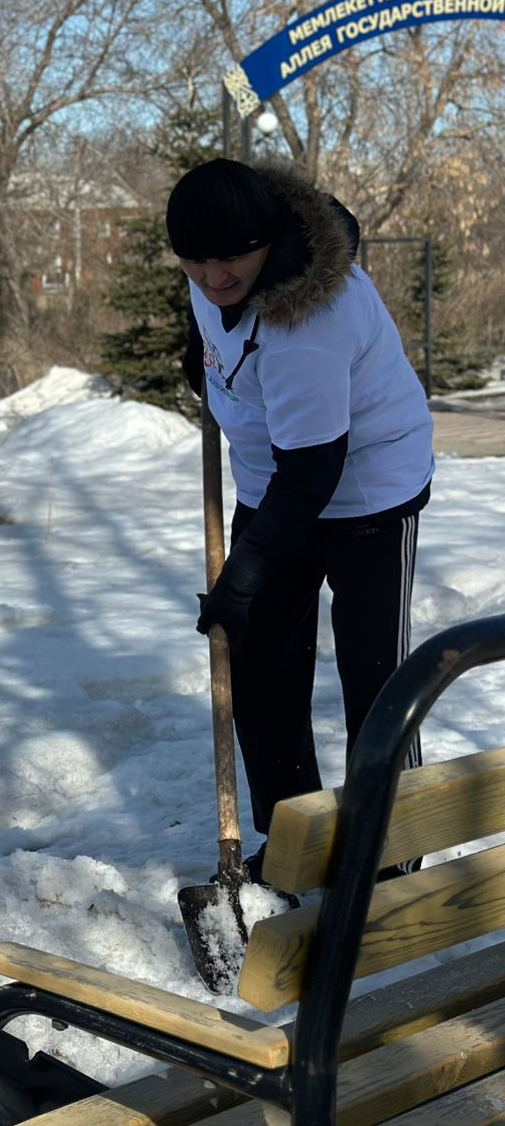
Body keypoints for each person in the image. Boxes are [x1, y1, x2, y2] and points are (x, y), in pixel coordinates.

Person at [167, 158, 434, 882]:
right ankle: (294, 836)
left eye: (231, 261)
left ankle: (393, 841)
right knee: (261, 663)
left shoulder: (308, 321)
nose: (215, 279)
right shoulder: (216, 276)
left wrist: (242, 576)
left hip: (370, 490)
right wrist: (207, 366)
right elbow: (215, 330)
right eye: (195, 263)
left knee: (375, 672)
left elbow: (314, 471)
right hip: (273, 478)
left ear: (272, 240)